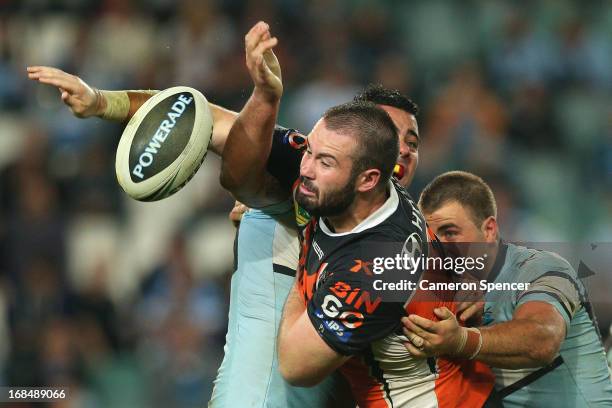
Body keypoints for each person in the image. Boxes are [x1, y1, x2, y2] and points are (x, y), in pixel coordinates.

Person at [220, 21, 496, 407]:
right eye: (385, 133)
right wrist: (108, 104)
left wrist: (295, 239)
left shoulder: (381, 264)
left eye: (409, 142)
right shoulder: (337, 178)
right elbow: (221, 134)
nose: (399, 150)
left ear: (369, 175)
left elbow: (296, 366)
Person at [402, 171, 612, 407]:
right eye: (431, 239)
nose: (439, 249)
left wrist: (461, 340)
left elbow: (543, 339)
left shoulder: (541, 268)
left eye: (450, 233)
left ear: (489, 230)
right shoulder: (442, 291)